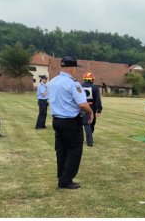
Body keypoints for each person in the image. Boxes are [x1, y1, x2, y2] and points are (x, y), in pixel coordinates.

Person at [47, 56, 95, 189]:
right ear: (72, 69)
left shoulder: (52, 82)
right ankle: (66, 180)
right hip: (71, 121)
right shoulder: (73, 84)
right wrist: (90, 113)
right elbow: (83, 104)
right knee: (74, 150)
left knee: (61, 149)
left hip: (57, 120)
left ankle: (61, 175)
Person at [80, 72, 102, 147]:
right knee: (90, 124)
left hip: (81, 107)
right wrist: (99, 110)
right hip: (91, 107)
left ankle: (83, 139)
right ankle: (90, 141)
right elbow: (98, 100)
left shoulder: (79, 86)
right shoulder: (95, 88)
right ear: (92, 79)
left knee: (81, 124)